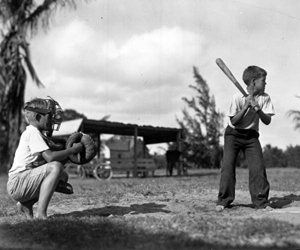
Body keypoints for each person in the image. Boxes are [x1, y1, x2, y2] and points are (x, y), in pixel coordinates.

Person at [7, 97, 83, 219]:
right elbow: (51, 158)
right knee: (55, 168)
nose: (53, 119)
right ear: (38, 117)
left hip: (22, 182)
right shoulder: (33, 132)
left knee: (63, 176)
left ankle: (26, 204)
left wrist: (71, 156)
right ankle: (41, 214)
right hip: (17, 183)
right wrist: (72, 150)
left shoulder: (36, 134)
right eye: (49, 116)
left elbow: (52, 161)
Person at [216, 65, 275, 211]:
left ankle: (261, 202)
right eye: (264, 80)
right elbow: (234, 121)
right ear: (254, 81)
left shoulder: (265, 98)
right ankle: (224, 201)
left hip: (251, 137)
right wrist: (246, 107)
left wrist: (258, 109)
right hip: (233, 135)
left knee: (258, 168)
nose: (266, 83)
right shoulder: (237, 98)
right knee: (228, 166)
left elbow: (267, 121)